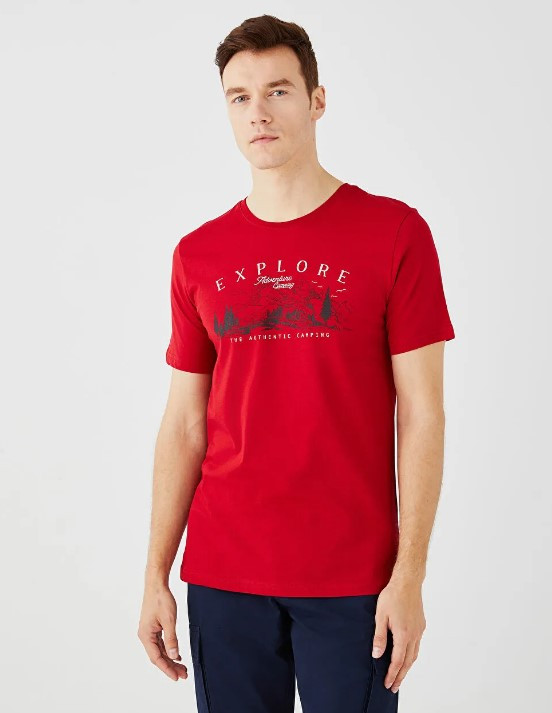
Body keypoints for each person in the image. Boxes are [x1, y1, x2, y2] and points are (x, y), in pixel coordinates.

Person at [138, 13, 455, 713]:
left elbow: (422, 413)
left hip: (355, 577)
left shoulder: (394, 233)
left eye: (278, 91)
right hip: (223, 573)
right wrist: (156, 571)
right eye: (240, 96)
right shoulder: (198, 254)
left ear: (316, 100)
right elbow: (184, 423)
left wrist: (409, 574)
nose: (258, 112)